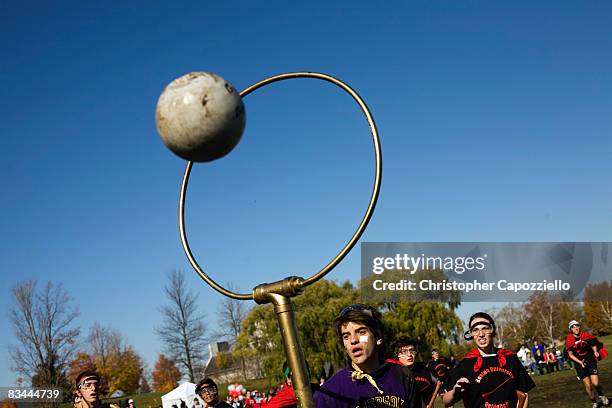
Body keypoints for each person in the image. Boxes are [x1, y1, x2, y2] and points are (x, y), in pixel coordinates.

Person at [313, 304, 421, 407]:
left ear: (378, 337)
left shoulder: (404, 377)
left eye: (361, 332)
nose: (353, 340)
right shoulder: (329, 393)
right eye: (346, 336)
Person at [442, 312, 535, 407]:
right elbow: (446, 401)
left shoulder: (510, 358)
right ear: (471, 335)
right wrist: (454, 391)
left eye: (485, 328)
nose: (481, 334)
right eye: (475, 330)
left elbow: (524, 395)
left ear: (493, 331)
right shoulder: (466, 364)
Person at [566, 320, 610, 408]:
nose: (576, 328)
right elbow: (570, 355)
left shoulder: (585, 335)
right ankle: (594, 402)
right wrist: (580, 362)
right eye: (573, 326)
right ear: (571, 329)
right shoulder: (569, 339)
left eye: (577, 326)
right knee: (588, 386)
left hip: (589, 359)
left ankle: (602, 396)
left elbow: (593, 342)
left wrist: (595, 351)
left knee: (596, 383)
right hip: (579, 363)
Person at [387, 336, 438, 406]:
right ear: (397, 354)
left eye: (411, 350)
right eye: (404, 351)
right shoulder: (389, 372)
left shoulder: (423, 370)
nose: (409, 354)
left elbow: (429, 398)